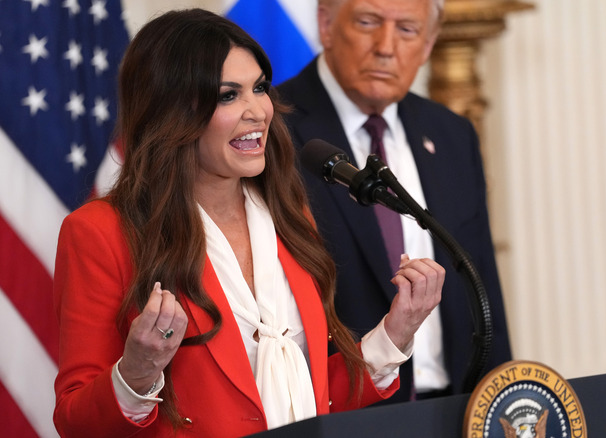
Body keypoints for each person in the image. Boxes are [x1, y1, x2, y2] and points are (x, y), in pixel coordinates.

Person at [52, 8, 445, 438]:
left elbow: (311, 398)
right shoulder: (101, 232)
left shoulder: (289, 213)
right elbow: (77, 423)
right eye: (228, 95)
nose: (257, 110)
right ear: (172, 110)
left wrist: (394, 333)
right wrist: (137, 371)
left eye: (259, 88)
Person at [277, 0, 512, 403]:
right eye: (368, 22)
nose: (386, 46)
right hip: (344, 410)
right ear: (326, 24)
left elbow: (481, 280)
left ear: (427, 44)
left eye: (407, 30)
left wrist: (500, 403)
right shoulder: (274, 129)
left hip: (454, 403)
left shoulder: (452, 134)